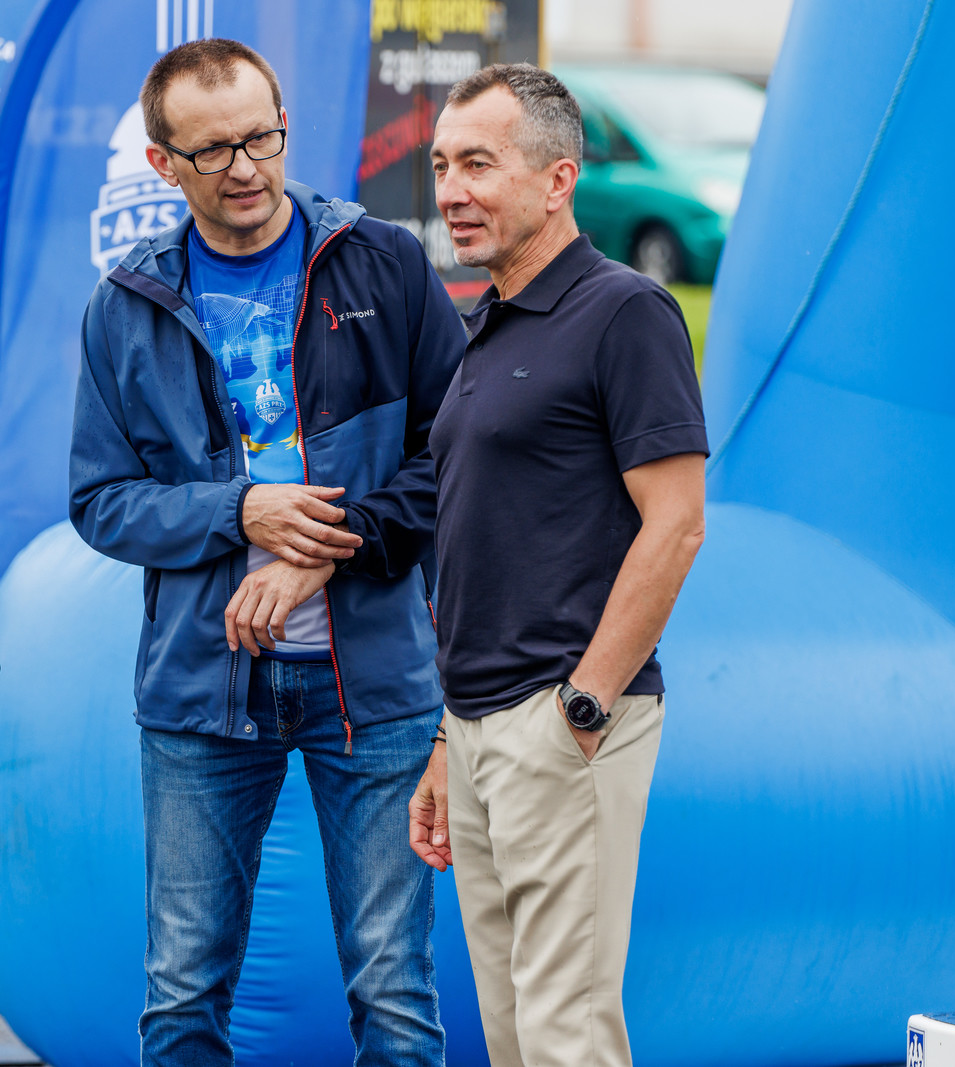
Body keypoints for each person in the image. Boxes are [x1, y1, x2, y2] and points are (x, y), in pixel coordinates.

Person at [70, 38, 466, 1067]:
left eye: (262, 138)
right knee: (182, 991)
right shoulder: (126, 303)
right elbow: (100, 503)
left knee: (394, 990)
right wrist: (239, 511)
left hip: (375, 683)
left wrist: (328, 548)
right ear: (163, 163)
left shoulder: (384, 262)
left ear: (285, 125)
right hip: (203, 690)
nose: (245, 167)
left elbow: (457, 456)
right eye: (213, 150)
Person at [408, 65, 708, 1067]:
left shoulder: (625, 313)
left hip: (562, 720)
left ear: (557, 179)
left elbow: (675, 525)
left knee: (564, 1037)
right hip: (478, 727)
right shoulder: (486, 326)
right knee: (513, 1034)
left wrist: (583, 705)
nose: (451, 190)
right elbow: (483, 545)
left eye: (478, 164)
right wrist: (450, 737)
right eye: (441, 166)